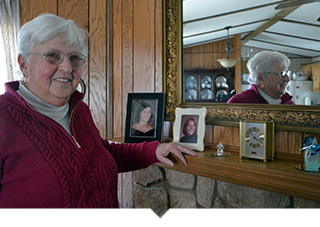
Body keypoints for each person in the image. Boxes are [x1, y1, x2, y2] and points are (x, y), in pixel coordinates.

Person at [0, 13, 197, 208]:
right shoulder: (3, 118)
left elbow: (102, 153)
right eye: (52, 56)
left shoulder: (80, 110)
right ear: (23, 65)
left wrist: (153, 150)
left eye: (74, 58)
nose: (67, 67)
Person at [227, 50, 295, 104]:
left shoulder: (289, 104)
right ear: (261, 78)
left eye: (287, 74)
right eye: (282, 73)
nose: (287, 79)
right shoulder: (238, 103)